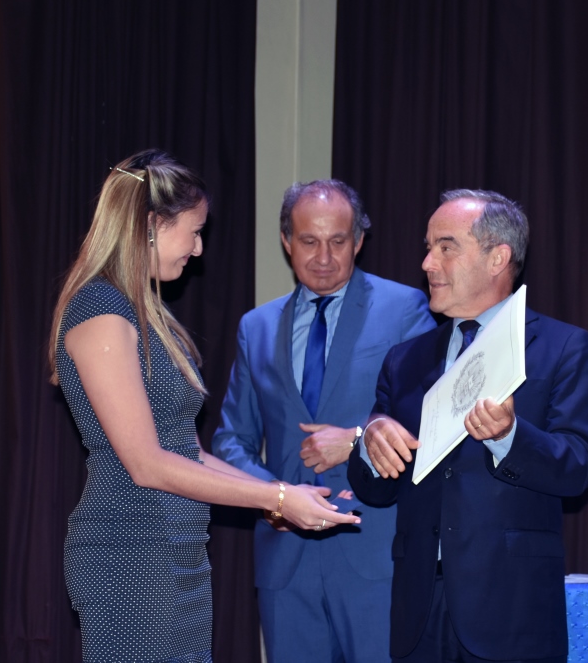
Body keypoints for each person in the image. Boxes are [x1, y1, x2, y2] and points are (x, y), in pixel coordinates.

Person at [49, 151, 358, 662]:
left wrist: (279, 492)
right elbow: (148, 464)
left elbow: (185, 450)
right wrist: (277, 501)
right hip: (130, 554)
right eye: (192, 232)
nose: (197, 249)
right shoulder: (100, 310)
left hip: (174, 552)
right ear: (151, 226)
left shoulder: (144, 313)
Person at [347, 189, 588, 663]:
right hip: (418, 608)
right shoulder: (405, 361)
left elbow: (579, 468)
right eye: (428, 247)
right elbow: (375, 492)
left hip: (511, 611)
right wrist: (369, 443)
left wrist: (509, 437)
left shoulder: (562, 347)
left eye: (446, 247)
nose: (427, 263)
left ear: (497, 258)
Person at [211, 179, 435, 663]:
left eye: (338, 241)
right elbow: (231, 440)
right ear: (286, 241)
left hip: (373, 555)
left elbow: (430, 423)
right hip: (284, 561)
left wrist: (356, 440)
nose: (324, 257)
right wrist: (275, 498)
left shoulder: (405, 310)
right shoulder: (256, 326)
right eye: (309, 241)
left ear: (358, 241)